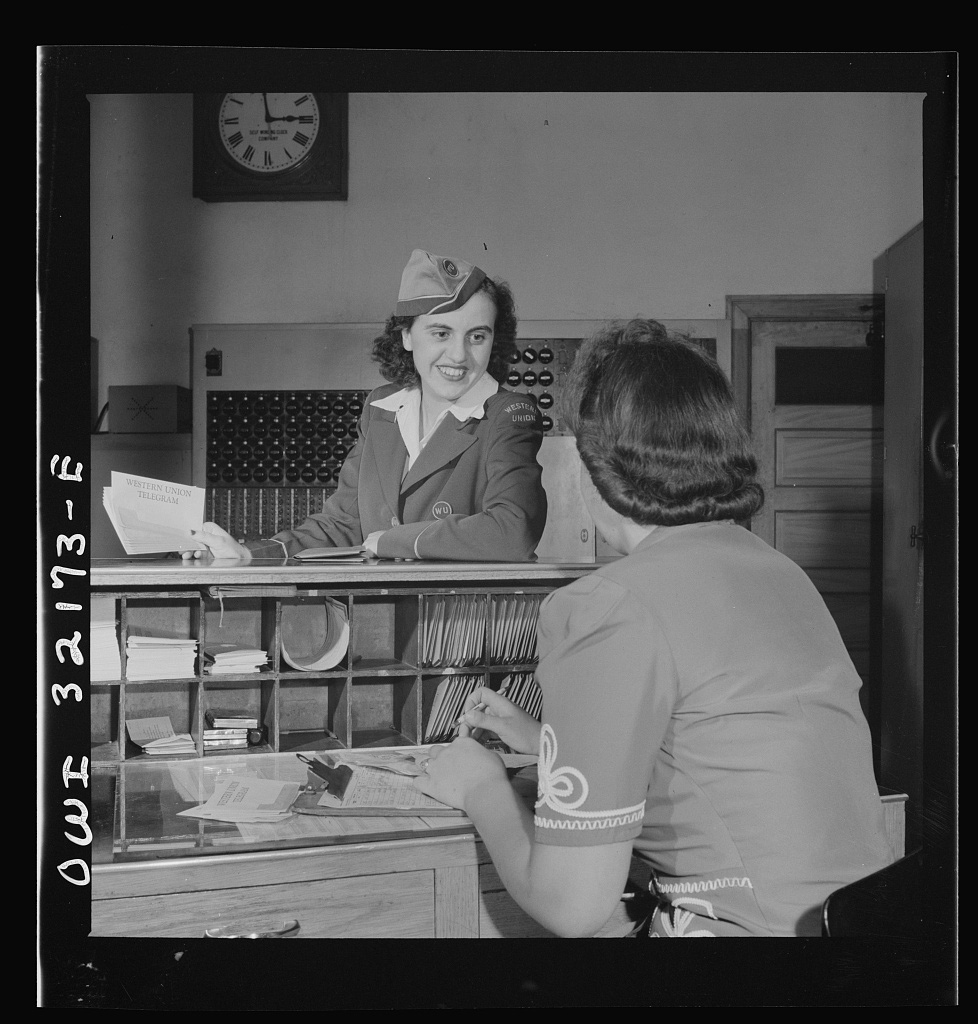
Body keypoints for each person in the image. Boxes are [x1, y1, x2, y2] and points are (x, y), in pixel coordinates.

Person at [414, 318, 892, 938]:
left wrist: (482, 789)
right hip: (866, 943)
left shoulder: (608, 605)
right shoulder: (779, 571)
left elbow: (571, 906)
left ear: (590, 471)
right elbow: (730, 752)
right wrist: (550, 744)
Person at [186, 249, 548, 562]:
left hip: (457, 621)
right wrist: (251, 553)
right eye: (441, 333)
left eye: (477, 336)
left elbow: (512, 531)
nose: (458, 354)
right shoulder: (381, 407)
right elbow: (344, 522)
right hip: (383, 611)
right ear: (406, 335)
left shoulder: (507, 413)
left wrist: (392, 541)